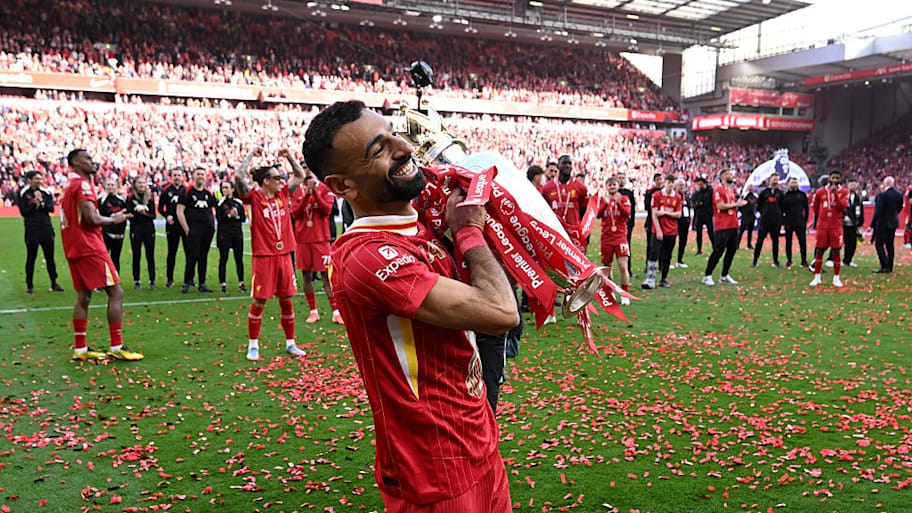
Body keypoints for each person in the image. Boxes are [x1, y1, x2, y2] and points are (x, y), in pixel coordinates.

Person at [303, 100, 515, 511]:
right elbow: (501, 312)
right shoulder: (365, 257)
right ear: (343, 186)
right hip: (434, 471)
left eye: (392, 134)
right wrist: (469, 232)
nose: (403, 148)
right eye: (378, 150)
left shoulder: (416, 228)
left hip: (478, 441)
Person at [60, 149, 142, 361]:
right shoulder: (82, 185)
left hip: (73, 247)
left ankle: (80, 349)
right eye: (87, 158)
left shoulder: (69, 185)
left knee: (83, 295)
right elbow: (91, 219)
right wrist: (114, 219)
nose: (92, 161)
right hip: (89, 246)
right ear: (76, 162)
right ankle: (117, 346)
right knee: (116, 291)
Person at [235, 147, 308, 361]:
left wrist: (290, 157)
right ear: (266, 181)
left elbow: (299, 175)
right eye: (277, 178)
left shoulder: (282, 194)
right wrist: (250, 155)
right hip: (264, 256)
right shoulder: (253, 198)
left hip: (284, 255)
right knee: (259, 302)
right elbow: (239, 176)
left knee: (287, 300)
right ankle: (253, 346)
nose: (281, 181)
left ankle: (290, 343)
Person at [291, 173, 342, 325]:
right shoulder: (297, 192)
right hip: (303, 240)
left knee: (326, 275)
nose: (308, 176)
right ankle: (313, 311)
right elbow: (296, 214)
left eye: (310, 172)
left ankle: (336, 312)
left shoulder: (325, 189)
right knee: (307, 275)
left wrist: (315, 193)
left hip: (321, 239)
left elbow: (327, 210)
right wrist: (307, 195)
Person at [17, 170, 64, 294]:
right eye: (36, 179)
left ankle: (54, 282)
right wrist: (34, 203)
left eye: (40, 178)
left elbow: (51, 208)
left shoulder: (46, 192)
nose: (39, 181)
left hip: (46, 228)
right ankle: (29, 284)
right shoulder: (23, 193)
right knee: (31, 257)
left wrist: (42, 202)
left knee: (50, 257)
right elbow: (24, 212)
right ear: (29, 180)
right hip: (32, 229)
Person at [702, 168, 746, 286]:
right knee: (718, 250)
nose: (732, 176)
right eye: (729, 174)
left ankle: (724, 275)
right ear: (723, 176)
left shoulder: (731, 190)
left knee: (731, 250)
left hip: (733, 224)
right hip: (722, 225)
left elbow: (731, 205)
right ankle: (707, 275)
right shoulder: (718, 189)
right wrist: (736, 204)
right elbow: (720, 206)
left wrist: (738, 204)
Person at [177, 167, 216, 293]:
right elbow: (180, 211)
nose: (200, 176)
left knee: (203, 256)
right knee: (193, 256)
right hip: (194, 229)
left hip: (207, 229)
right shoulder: (186, 191)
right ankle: (186, 282)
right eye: (198, 174)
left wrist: (212, 226)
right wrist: (187, 229)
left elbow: (212, 209)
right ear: (193, 176)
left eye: (202, 174)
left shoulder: (208, 193)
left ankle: (202, 283)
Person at [809, 170, 850, 287]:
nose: (835, 180)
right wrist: (822, 218)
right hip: (823, 226)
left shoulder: (844, 192)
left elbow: (842, 207)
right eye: (833, 177)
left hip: (836, 226)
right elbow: (816, 207)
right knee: (819, 250)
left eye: (837, 178)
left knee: (836, 251)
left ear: (841, 179)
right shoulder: (820, 192)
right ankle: (817, 277)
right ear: (829, 178)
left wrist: (835, 195)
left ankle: (836, 278)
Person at [643, 174, 682, 289]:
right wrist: (658, 230)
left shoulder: (677, 197)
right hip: (658, 230)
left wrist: (665, 213)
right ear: (665, 183)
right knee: (653, 254)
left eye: (672, 182)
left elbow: (678, 214)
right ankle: (650, 278)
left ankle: (663, 279)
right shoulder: (657, 195)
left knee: (667, 256)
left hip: (672, 231)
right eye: (669, 182)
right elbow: (654, 214)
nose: (670, 184)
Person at [540, 155, 588, 246]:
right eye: (564, 163)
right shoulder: (547, 188)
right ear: (558, 166)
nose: (567, 166)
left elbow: (583, 210)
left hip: (574, 232)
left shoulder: (581, 188)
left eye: (569, 163)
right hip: (555, 230)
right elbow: (545, 210)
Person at [597, 176, 631, 304]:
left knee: (623, 265)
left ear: (618, 186)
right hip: (606, 237)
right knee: (607, 267)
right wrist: (605, 204)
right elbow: (598, 215)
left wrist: (618, 204)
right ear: (606, 187)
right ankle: (611, 291)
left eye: (614, 184)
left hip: (620, 236)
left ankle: (624, 294)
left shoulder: (624, 198)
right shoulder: (602, 199)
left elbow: (627, 214)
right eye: (609, 185)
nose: (612, 187)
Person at [215, 180, 247, 293]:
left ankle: (241, 283)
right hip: (224, 233)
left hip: (237, 233)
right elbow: (219, 218)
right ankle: (223, 284)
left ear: (232, 189)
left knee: (239, 258)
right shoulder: (220, 203)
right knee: (223, 258)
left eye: (226, 187)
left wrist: (236, 215)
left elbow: (243, 218)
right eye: (223, 188)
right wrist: (229, 215)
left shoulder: (238, 202)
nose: (224, 190)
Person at [126, 175, 156, 290]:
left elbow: (153, 215)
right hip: (136, 230)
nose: (142, 185)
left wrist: (145, 213)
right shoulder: (130, 198)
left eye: (143, 183)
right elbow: (129, 214)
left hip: (149, 229)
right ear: (135, 184)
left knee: (150, 255)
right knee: (136, 255)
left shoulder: (150, 197)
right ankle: (137, 280)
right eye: (139, 183)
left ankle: (152, 280)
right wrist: (136, 212)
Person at [158, 169, 187, 288]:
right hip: (172, 225)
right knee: (172, 252)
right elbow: (160, 208)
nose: (177, 177)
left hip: (185, 225)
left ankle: (189, 278)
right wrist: (167, 215)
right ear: (171, 177)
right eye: (175, 175)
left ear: (182, 177)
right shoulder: (166, 190)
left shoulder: (187, 190)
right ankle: (170, 279)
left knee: (189, 252)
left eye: (179, 175)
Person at [870, 176, 903, 273]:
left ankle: (884, 265)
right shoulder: (899, 195)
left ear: (885, 183)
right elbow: (899, 208)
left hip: (883, 222)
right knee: (890, 244)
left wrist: (872, 224)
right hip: (893, 222)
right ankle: (890, 266)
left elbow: (878, 211)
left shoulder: (882, 195)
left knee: (879, 244)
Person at [752, 173, 783, 268]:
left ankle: (776, 261)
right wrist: (764, 213)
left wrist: (779, 216)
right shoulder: (764, 192)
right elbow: (759, 205)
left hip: (776, 221)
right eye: (774, 179)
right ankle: (755, 261)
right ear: (770, 179)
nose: (775, 181)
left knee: (776, 242)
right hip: (765, 221)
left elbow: (783, 206)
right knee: (759, 241)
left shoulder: (780, 193)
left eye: (777, 179)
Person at [98, 177, 127, 273]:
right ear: (105, 186)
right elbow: (100, 217)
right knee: (104, 258)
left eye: (112, 185)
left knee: (116, 258)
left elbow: (124, 218)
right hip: (105, 233)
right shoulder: (101, 200)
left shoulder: (122, 201)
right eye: (108, 185)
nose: (110, 187)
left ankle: (116, 278)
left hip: (118, 234)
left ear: (116, 186)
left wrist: (121, 233)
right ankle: (103, 279)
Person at [781, 177, 809, 268]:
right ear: (788, 184)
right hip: (789, 222)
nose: (794, 184)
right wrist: (783, 221)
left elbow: (806, 208)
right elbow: (782, 209)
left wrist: (805, 220)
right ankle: (789, 260)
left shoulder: (802, 194)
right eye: (792, 182)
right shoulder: (785, 195)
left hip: (800, 222)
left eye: (795, 182)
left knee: (802, 242)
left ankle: (804, 261)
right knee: (788, 242)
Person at [642, 173, 664, 272]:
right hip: (651, 221)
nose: (659, 181)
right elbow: (647, 207)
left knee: (663, 245)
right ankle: (648, 265)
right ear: (654, 181)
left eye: (660, 179)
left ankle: (661, 265)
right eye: (657, 179)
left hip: (663, 222)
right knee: (650, 245)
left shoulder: (665, 192)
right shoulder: (650, 192)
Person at [616, 172, 637, 279]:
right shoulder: (613, 193)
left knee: (626, 248)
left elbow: (632, 210)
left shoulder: (629, 193)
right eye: (619, 178)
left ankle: (628, 269)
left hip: (626, 225)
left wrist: (632, 223)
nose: (621, 179)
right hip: (615, 225)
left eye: (623, 178)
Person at [841, 178, 864, 268]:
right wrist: (844, 217)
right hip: (845, 224)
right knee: (845, 242)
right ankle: (843, 260)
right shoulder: (844, 196)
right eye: (851, 184)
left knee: (853, 243)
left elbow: (861, 210)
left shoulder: (859, 198)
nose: (853, 186)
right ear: (848, 185)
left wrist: (860, 222)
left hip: (854, 224)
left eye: (854, 184)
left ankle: (849, 260)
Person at [691, 177, 714, 255]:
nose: (700, 186)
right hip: (699, 215)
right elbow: (693, 203)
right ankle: (699, 250)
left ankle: (715, 248)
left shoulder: (711, 191)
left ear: (705, 183)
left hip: (708, 215)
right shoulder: (697, 193)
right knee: (699, 234)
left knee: (711, 232)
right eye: (699, 184)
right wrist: (697, 204)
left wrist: (711, 212)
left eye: (701, 184)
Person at [674, 178, 691, 269]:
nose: (681, 187)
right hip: (676, 221)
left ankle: (679, 260)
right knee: (670, 242)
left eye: (683, 185)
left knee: (683, 241)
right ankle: (666, 261)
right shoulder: (674, 196)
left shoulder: (686, 196)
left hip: (685, 221)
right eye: (680, 185)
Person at [739, 184, 757, 249]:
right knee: (742, 230)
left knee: (750, 231)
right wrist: (744, 212)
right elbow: (740, 205)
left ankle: (749, 244)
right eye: (750, 186)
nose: (751, 188)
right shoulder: (745, 195)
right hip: (745, 216)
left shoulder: (755, 196)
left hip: (752, 215)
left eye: (752, 186)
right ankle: (737, 244)